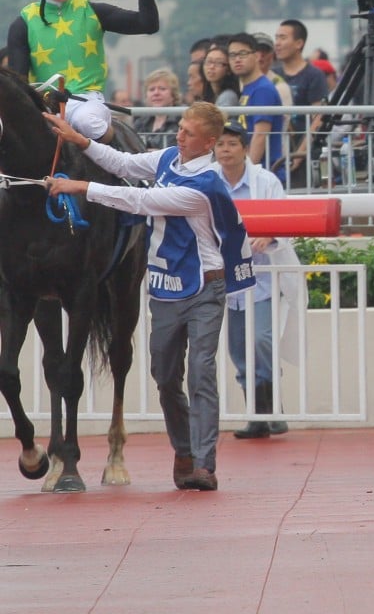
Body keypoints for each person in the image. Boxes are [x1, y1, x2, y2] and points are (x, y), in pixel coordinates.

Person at [43, 102, 255, 492]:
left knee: (202, 374)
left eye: (189, 133)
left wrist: (80, 186)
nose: (179, 135)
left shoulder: (205, 184)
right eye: (180, 128)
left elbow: (140, 201)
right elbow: (123, 163)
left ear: (209, 142)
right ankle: (184, 450)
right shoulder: (170, 157)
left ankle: (204, 463)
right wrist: (79, 140)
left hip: (206, 287)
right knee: (164, 376)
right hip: (167, 286)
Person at [8, 0, 159, 143]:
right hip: (47, 106)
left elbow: (148, 25)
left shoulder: (93, 11)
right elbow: (20, 83)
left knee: (86, 122)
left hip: (87, 102)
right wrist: (44, 100)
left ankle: (119, 154)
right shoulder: (23, 23)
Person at [216, 120, 303, 438]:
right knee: (238, 349)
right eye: (220, 144)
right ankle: (257, 415)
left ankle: (271, 408)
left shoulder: (265, 181)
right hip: (228, 280)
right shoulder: (210, 180)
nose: (225, 150)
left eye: (232, 144)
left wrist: (269, 235)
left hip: (262, 276)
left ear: (244, 147)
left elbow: (284, 219)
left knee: (262, 339)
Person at [272, 20, 326, 183]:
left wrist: (298, 156)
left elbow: (318, 118)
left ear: (299, 43)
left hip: (302, 154)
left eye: (283, 38)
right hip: (276, 152)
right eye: (276, 38)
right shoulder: (272, 74)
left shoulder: (314, 75)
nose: (278, 44)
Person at [227, 33, 286, 180]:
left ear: (256, 55)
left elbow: (260, 135)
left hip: (264, 174)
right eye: (232, 55)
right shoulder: (248, 88)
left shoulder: (262, 89)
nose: (237, 59)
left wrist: (247, 174)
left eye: (243, 54)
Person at [132, 68, 183, 149]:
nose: (156, 93)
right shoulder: (140, 123)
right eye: (151, 89)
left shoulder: (183, 120)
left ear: (173, 94)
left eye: (162, 89)